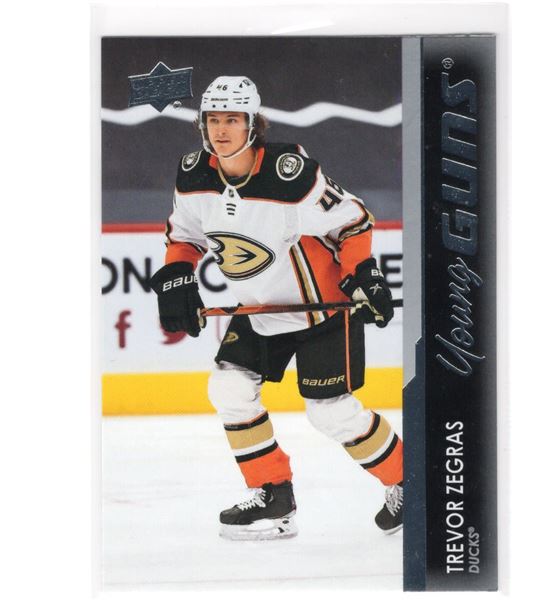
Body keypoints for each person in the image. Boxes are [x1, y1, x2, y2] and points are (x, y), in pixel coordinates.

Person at [149, 76, 403, 540]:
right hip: (258, 309)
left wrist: (363, 275)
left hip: (320, 310)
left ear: (253, 124)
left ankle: (411, 483)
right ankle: (273, 495)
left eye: (232, 119)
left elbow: (353, 221)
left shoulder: (290, 174)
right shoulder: (193, 174)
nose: (221, 130)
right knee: (228, 388)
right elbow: (184, 235)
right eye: (213, 119)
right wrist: (176, 276)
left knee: (330, 413)